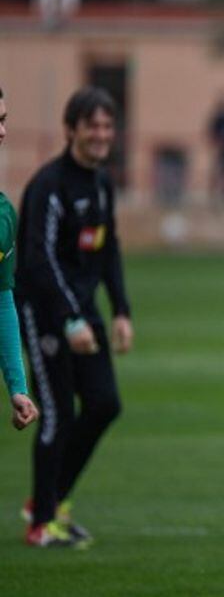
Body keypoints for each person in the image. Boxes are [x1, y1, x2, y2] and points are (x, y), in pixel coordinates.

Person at [16, 86, 134, 548]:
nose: (102, 135)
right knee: (58, 413)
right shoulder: (49, 186)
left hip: (81, 311)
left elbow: (109, 249)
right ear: (71, 130)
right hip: (43, 312)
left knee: (105, 404)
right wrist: (69, 319)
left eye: (108, 126)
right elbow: (38, 259)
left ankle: (48, 498)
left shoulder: (102, 182)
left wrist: (121, 309)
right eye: (92, 126)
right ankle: (42, 523)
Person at [0, 85, 39, 432]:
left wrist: (17, 386)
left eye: (3, 120)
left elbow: (2, 300)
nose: (2, 131)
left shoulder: (3, 215)